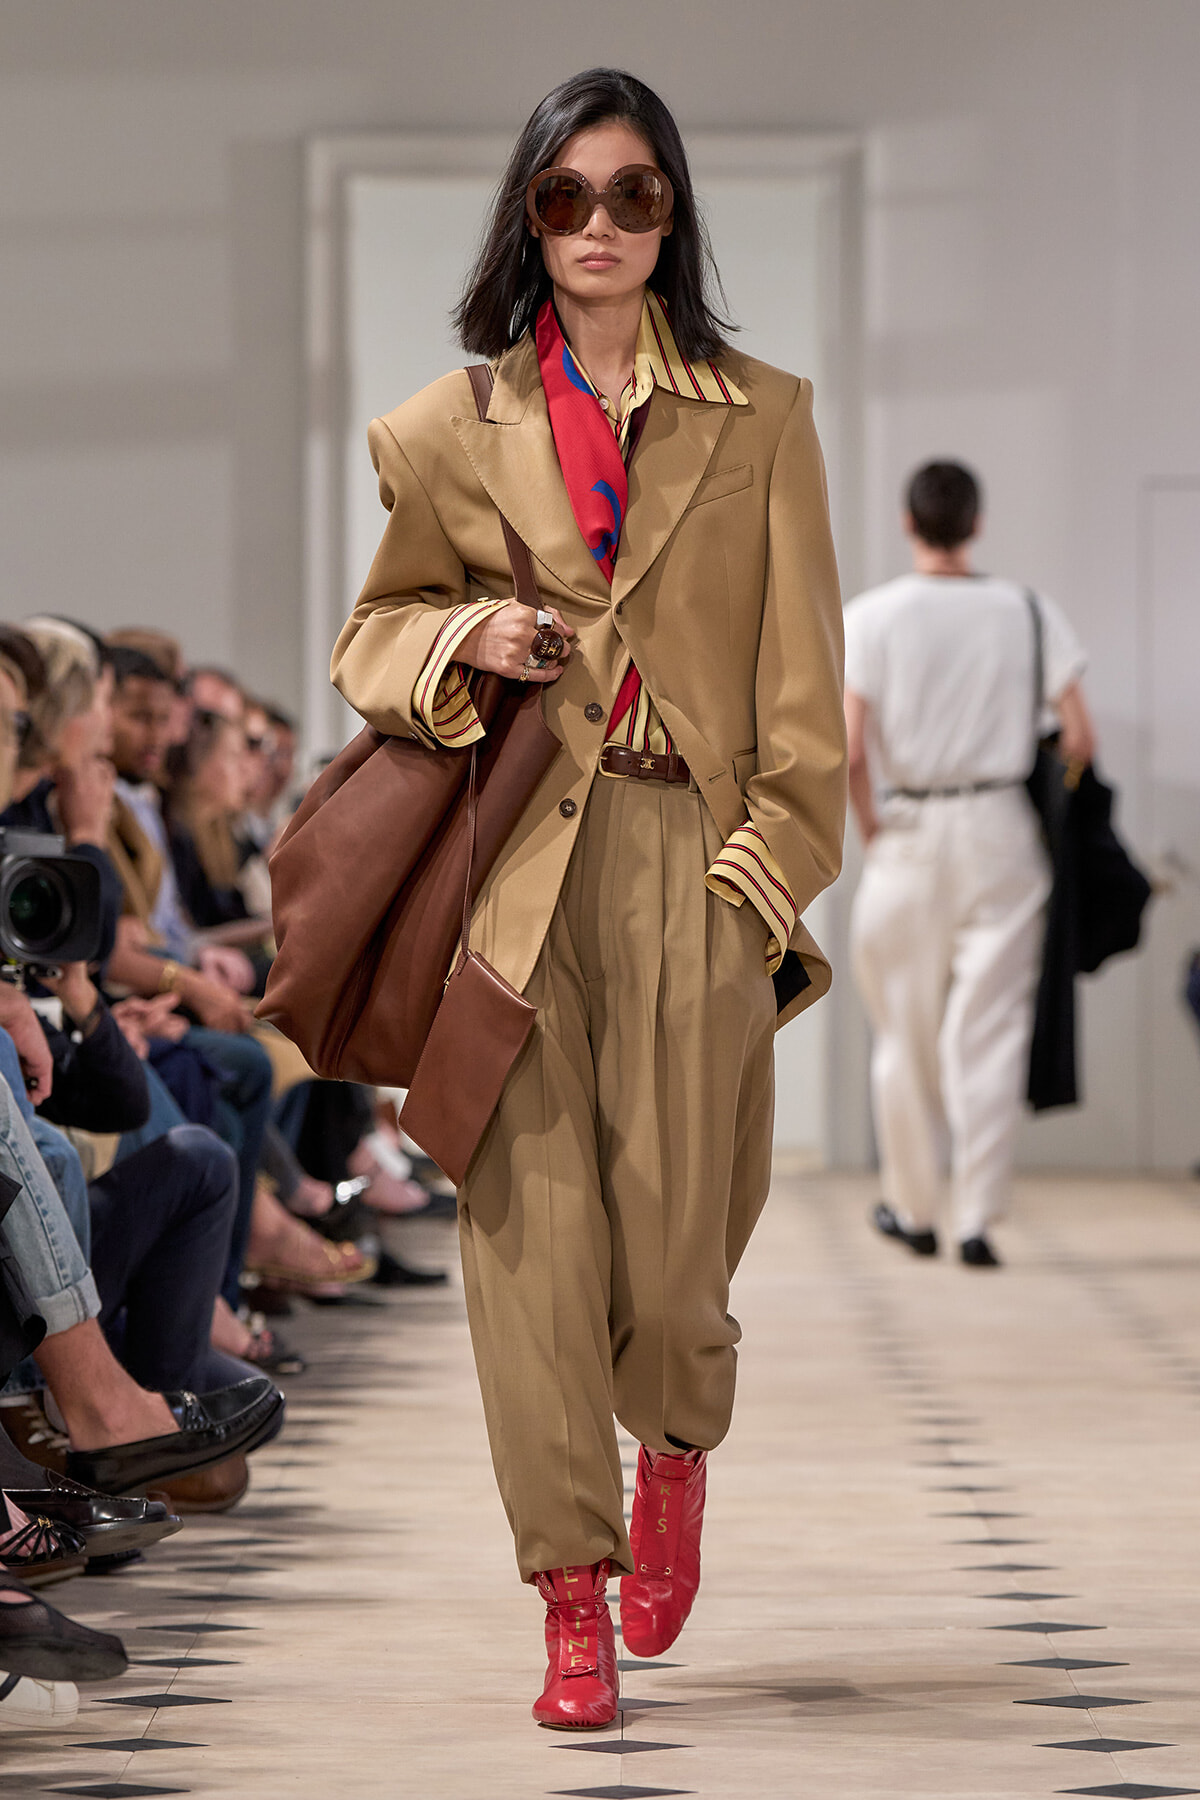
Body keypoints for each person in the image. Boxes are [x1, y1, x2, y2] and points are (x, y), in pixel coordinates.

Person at [330, 67, 844, 1729]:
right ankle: (569, 1596)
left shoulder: (762, 416)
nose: (603, 224)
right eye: (570, 196)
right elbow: (369, 640)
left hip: (689, 865)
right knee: (525, 1244)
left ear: (672, 210)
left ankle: (675, 1446)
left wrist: (761, 878)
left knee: (682, 1252)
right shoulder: (440, 427)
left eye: (635, 194)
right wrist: (457, 639)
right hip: (518, 879)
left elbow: (803, 694)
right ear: (529, 217)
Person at [844, 460, 1096, 1268]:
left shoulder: (872, 617)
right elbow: (1081, 738)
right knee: (988, 1033)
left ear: (908, 523)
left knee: (903, 1034)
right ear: (978, 523)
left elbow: (849, 750)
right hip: (1001, 831)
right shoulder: (1026, 610)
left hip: (910, 828)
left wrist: (873, 828)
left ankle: (913, 1210)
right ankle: (978, 1221)